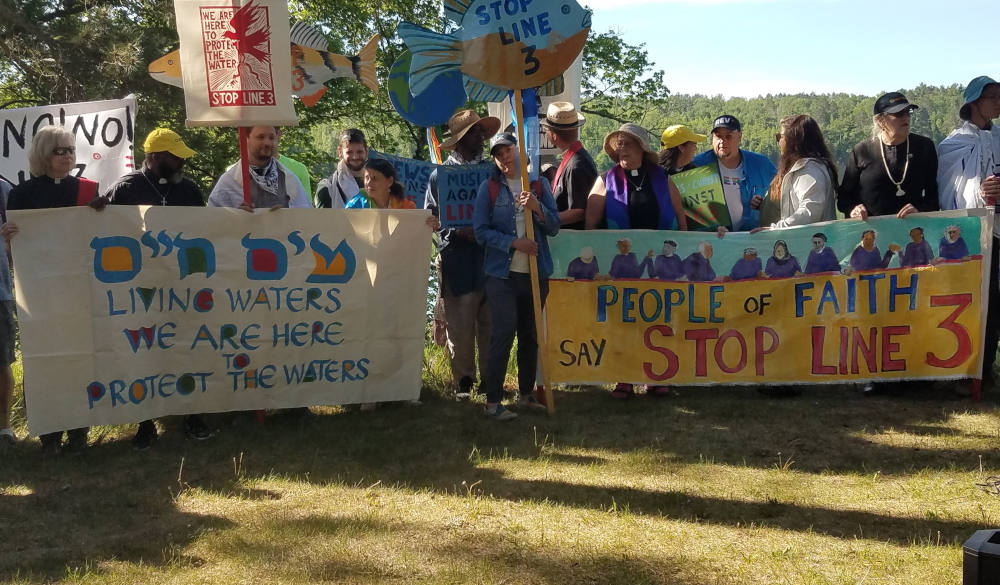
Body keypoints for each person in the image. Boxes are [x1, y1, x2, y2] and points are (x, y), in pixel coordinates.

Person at [98, 128, 213, 448]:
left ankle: (193, 416)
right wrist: (94, 213)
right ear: (154, 158)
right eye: (176, 158)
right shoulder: (125, 188)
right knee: (144, 353)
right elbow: (102, 231)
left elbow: (206, 231)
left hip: (183, 287)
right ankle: (145, 423)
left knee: (189, 348)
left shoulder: (189, 190)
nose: (182, 163)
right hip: (141, 291)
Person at [2, 125, 96, 453]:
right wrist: (9, 239)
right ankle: (50, 434)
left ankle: (80, 428)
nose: (68, 156)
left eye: (71, 150)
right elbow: (17, 255)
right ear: (44, 153)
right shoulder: (21, 195)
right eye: (61, 151)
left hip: (77, 290)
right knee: (44, 359)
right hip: (40, 294)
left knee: (80, 356)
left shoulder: (88, 191)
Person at [472, 132, 559, 420]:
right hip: (502, 274)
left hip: (536, 272)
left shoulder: (540, 184)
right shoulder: (490, 188)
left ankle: (525, 395)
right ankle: (493, 402)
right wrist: (513, 243)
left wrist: (538, 208)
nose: (505, 158)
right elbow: (481, 231)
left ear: (518, 150)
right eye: (498, 154)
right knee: (504, 331)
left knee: (530, 334)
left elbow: (555, 226)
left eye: (508, 150)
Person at [425, 110, 500, 400]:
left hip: (491, 257)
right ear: (458, 141)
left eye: (481, 131)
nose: (479, 137)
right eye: (473, 133)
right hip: (457, 259)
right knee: (460, 326)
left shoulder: (493, 173)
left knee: (491, 323)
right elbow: (432, 217)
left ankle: (491, 381)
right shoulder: (440, 176)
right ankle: (464, 383)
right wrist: (457, 231)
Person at [937, 76, 1000, 386]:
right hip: (968, 233)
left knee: (994, 302)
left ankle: (985, 368)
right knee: (969, 300)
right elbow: (949, 188)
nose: (998, 102)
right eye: (992, 97)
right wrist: (980, 190)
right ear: (975, 102)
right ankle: (962, 368)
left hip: (998, 231)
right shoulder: (952, 144)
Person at [838, 92, 939, 220]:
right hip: (872, 235)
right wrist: (854, 209)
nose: (905, 117)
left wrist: (920, 210)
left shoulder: (924, 147)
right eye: (898, 113)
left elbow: (934, 197)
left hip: (913, 233)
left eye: (908, 112)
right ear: (880, 121)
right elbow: (844, 198)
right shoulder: (861, 151)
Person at [584, 123, 687, 231]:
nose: (622, 148)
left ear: (641, 148)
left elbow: (680, 218)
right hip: (617, 246)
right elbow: (590, 225)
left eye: (628, 144)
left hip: (661, 246)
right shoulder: (605, 181)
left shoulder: (663, 177)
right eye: (620, 144)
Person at [692, 115, 776, 232]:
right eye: (718, 136)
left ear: (740, 136)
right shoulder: (697, 166)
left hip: (753, 239)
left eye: (728, 136)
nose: (722, 141)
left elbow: (782, 198)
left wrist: (764, 203)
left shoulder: (762, 164)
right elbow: (685, 211)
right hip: (714, 240)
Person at [759, 115, 838, 229]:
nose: (778, 142)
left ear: (793, 140)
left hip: (806, 244)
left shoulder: (810, 170)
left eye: (779, 136)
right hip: (794, 242)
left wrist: (777, 228)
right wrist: (764, 204)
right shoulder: (798, 168)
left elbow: (810, 211)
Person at [208, 126, 312, 210]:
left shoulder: (289, 181)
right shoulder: (229, 183)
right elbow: (213, 225)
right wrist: (236, 218)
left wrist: (286, 213)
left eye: (271, 137)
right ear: (246, 138)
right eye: (260, 137)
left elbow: (306, 220)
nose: (267, 143)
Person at [540, 102, 598, 230]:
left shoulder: (577, 165)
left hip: (574, 243)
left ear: (554, 136)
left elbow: (579, 211)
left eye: (547, 130)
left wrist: (544, 220)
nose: (546, 132)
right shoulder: (576, 159)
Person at [0, 179, 16, 448]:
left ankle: (4, 427)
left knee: (1, 363)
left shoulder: (3, 190)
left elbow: (24, 236)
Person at [315, 128, 368, 208]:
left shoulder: (380, 185)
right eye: (349, 152)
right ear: (340, 152)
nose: (355, 157)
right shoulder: (328, 188)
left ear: (366, 152)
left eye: (359, 152)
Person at [345, 158, 416, 209]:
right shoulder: (355, 206)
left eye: (375, 178)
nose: (369, 182)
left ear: (389, 181)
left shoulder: (405, 207)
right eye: (367, 178)